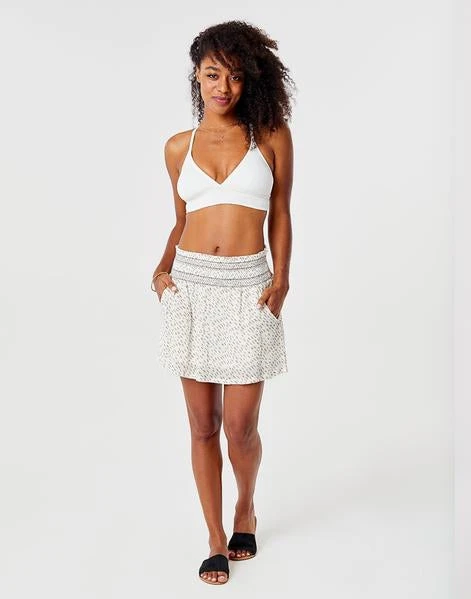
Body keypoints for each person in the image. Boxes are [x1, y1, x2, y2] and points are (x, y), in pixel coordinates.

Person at [151, 20, 296, 585]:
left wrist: (282, 278)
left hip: (247, 286)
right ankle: (215, 537)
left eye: (234, 76)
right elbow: (181, 221)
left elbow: (280, 213)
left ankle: (245, 508)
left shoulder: (271, 136)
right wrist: (161, 269)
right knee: (203, 425)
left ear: (250, 78)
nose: (223, 87)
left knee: (240, 427)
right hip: (191, 286)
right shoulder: (177, 147)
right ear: (197, 75)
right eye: (213, 74)